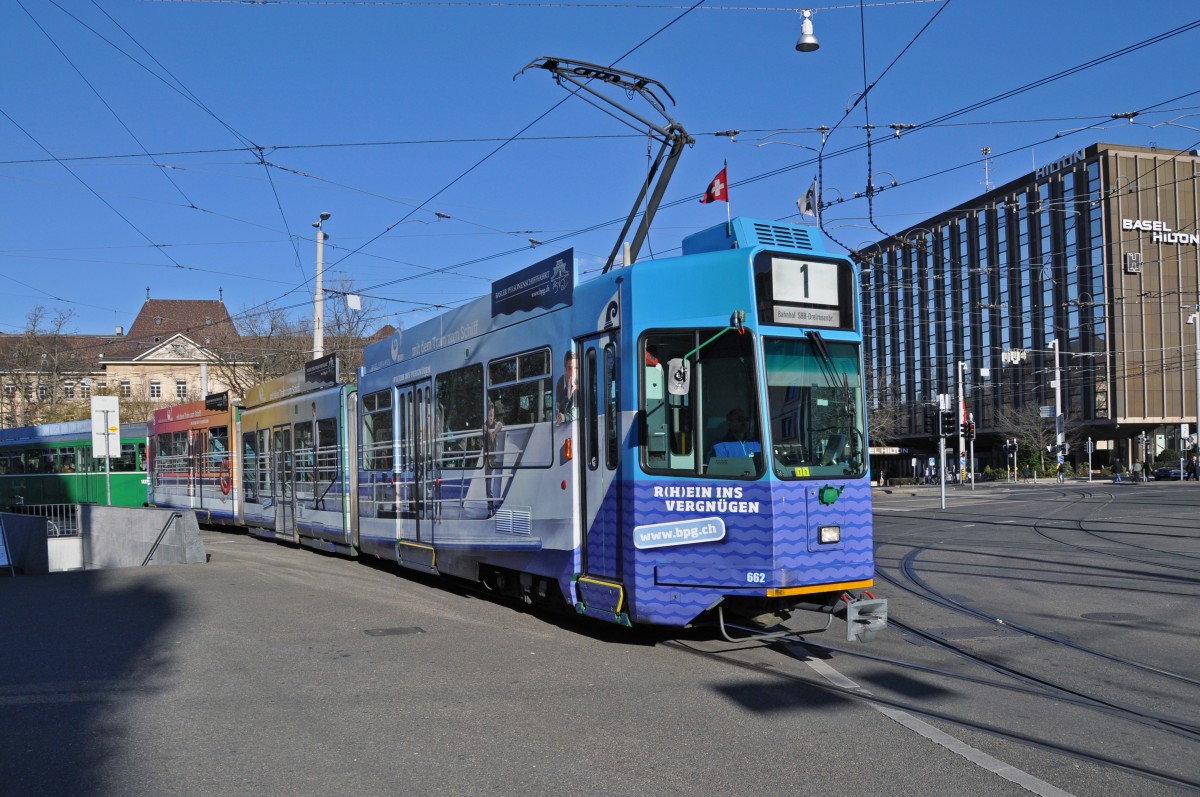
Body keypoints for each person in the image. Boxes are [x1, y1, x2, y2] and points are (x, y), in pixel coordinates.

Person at [482, 401, 503, 516]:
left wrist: (493, 432)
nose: (491, 417)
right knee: (488, 485)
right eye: (490, 415)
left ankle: (494, 507)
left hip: (494, 457)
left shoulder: (495, 424)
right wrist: (488, 431)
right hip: (487, 459)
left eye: (492, 415)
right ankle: (490, 509)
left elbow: (501, 424)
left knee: (496, 483)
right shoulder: (485, 424)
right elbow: (483, 427)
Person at [555, 350, 578, 424]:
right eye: (570, 368)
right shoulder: (560, 383)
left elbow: (579, 412)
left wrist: (565, 417)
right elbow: (558, 410)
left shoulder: (579, 383)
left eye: (576, 368)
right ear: (565, 369)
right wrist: (567, 398)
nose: (573, 373)